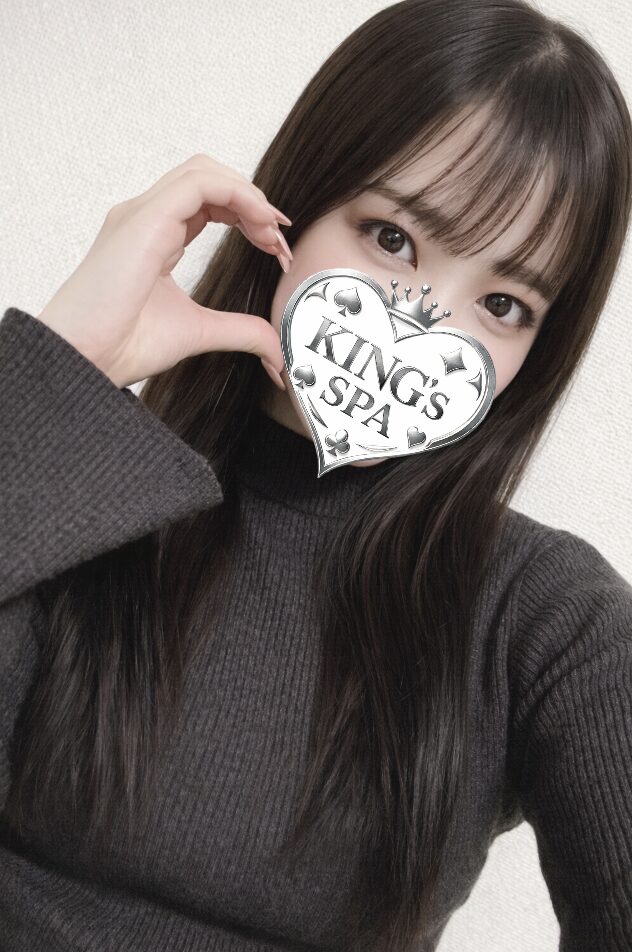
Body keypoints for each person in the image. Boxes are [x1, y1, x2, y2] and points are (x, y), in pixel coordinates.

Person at [1, 0, 631, 949]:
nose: (422, 325)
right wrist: (63, 371)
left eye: (504, 303)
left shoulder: (544, 619)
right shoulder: (74, 473)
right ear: (291, 202)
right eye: (393, 238)